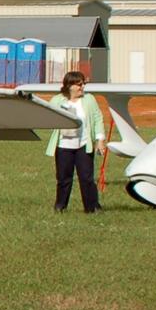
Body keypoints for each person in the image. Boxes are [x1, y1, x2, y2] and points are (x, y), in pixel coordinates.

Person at [44, 72, 107, 212]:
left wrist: (100, 140)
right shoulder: (57, 100)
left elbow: (97, 118)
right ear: (69, 86)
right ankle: (60, 206)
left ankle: (92, 208)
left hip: (83, 145)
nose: (82, 87)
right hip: (63, 146)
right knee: (63, 179)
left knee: (86, 178)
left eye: (83, 84)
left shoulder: (89, 99)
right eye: (79, 84)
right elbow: (48, 116)